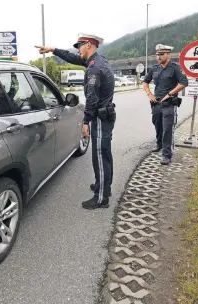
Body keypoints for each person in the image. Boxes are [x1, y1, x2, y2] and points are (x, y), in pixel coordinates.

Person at [35, 33, 116, 210]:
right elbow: (73, 58)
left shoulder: (94, 68)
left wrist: (85, 122)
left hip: (100, 118)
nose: (78, 51)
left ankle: (101, 198)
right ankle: (104, 186)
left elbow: (92, 100)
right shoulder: (99, 60)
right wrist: (53, 50)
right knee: (104, 155)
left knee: (100, 157)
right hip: (105, 116)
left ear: (88, 45)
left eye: (79, 46)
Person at [142, 44, 188, 165]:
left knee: (167, 129)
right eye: (157, 54)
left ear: (168, 54)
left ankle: (167, 154)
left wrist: (170, 93)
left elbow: (184, 82)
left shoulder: (175, 68)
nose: (158, 57)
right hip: (156, 103)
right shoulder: (155, 68)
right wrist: (149, 94)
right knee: (157, 125)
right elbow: (145, 82)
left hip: (168, 104)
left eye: (161, 54)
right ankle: (159, 144)